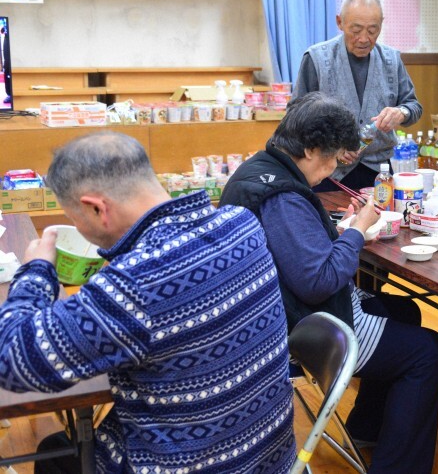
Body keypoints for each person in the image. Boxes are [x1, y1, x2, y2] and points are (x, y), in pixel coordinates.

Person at [0, 133, 295, 474]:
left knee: (55, 455)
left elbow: (11, 359)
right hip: (268, 455)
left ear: (96, 208)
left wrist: (36, 271)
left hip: (198, 464)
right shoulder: (242, 224)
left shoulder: (136, 285)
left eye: (76, 219)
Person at [220, 92, 438, 474]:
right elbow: (319, 281)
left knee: (404, 310)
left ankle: (365, 428)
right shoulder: (284, 198)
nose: (332, 170)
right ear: (310, 149)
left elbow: (298, 249)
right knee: (427, 351)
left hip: (279, 307)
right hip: (305, 325)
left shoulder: (259, 169)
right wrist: (356, 231)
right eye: (332, 158)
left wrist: (342, 233)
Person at [293, 0, 422, 192]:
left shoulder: (391, 59)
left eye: (372, 30)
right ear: (340, 22)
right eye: (356, 30)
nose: (364, 38)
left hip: (379, 172)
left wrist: (400, 113)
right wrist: (328, 146)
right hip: (327, 172)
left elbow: (413, 106)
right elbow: (295, 117)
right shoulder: (317, 58)